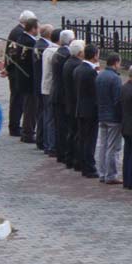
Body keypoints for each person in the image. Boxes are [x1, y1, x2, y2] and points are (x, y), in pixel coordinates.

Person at [3, 10, 34, 137]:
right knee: (17, 100)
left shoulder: (15, 31)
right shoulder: (19, 33)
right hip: (16, 72)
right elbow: (15, 53)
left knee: (17, 99)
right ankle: (14, 127)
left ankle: (15, 125)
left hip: (13, 70)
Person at [95, 53, 124, 185]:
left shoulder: (100, 75)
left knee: (102, 145)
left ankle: (102, 172)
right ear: (116, 63)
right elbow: (117, 100)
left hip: (101, 114)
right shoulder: (115, 78)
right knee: (113, 147)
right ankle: (111, 174)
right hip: (113, 117)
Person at [73, 43, 101, 179]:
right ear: (95, 55)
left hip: (80, 108)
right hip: (90, 111)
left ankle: (82, 163)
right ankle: (89, 167)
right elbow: (95, 92)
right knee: (90, 140)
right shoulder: (90, 72)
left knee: (83, 138)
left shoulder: (78, 69)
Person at [49, 30, 74, 161]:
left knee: (59, 126)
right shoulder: (67, 56)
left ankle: (60, 152)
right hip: (64, 96)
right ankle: (64, 153)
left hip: (56, 92)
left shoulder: (57, 53)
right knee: (64, 127)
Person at [60, 40, 85, 170]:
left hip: (69, 102)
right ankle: (75, 159)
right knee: (76, 133)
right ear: (80, 53)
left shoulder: (68, 62)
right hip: (75, 103)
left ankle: (69, 157)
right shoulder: (77, 65)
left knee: (71, 132)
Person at [39, 26, 63, 157]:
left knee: (48, 117)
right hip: (50, 88)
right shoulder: (54, 52)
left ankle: (47, 143)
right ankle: (51, 145)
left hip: (45, 87)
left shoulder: (47, 50)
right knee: (51, 118)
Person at [32, 24, 53, 151]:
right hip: (43, 84)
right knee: (44, 113)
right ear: (49, 34)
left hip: (39, 83)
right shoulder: (44, 48)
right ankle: (43, 140)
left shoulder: (38, 45)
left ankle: (40, 139)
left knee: (41, 113)